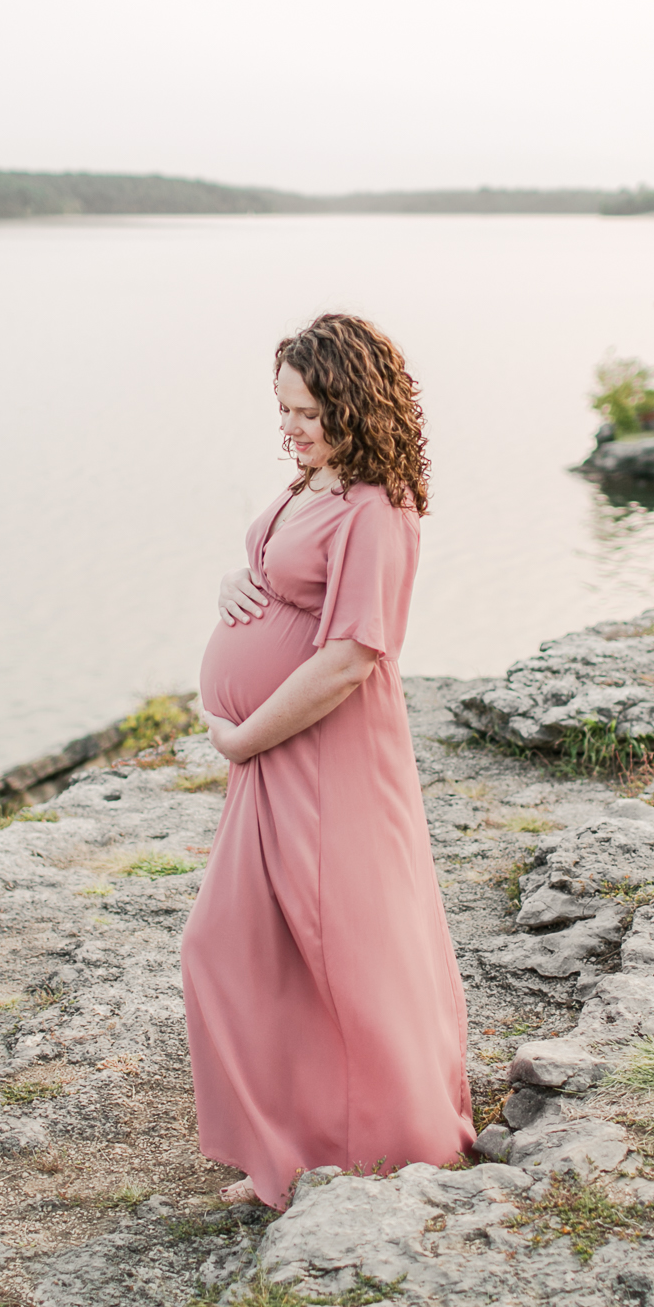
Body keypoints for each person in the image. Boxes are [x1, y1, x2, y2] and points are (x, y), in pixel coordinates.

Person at [182, 312, 475, 1211]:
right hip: (277, 755)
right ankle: (287, 1152)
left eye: (306, 411)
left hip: (323, 760)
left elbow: (352, 657)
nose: (290, 428)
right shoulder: (314, 481)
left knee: (344, 954)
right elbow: (280, 579)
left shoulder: (379, 509)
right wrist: (237, 582)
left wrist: (241, 734)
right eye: (282, 409)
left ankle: (386, 1146)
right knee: (240, 948)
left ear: (353, 403)